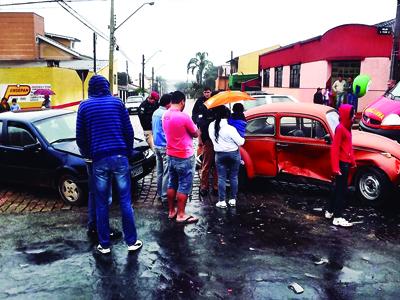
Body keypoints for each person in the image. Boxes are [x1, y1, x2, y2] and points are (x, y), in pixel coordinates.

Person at [76, 75, 142, 254]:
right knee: (125, 202)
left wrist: (88, 154)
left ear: (90, 88)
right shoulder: (117, 103)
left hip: (99, 159)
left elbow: (80, 137)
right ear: (106, 86)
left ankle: (104, 245)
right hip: (120, 157)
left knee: (102, 203)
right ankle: (131, 241)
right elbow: (128, 131)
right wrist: (127, 152)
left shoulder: (84, 106)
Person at [162, 90, 199, 224]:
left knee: (172, 182)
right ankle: (181, 214)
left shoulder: (165, 115)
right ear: (182, 101)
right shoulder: (184, 117)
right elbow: (195, 134)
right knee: (184, 184)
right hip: (184, 155)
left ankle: (172, 211)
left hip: (170, 154)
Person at [325, 104, 355, 227]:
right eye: (351, 115)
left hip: (345, 163)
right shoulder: (340, 128)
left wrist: (352, 160)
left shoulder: (347, 128)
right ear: (346, 115)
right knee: (341, 191)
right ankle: (337, 217)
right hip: (342, 165)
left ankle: (330, 211)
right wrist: (336, 167)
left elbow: (348, 147)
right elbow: (335, 149)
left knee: (337, 189)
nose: (353, 117)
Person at [209, 105, 245, 208]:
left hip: (219, 155)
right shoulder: (230, 128)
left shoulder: (211, 126)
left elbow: (212, 139)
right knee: (234, 177)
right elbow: (241, 142)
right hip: (233, 154)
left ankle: (222, 201)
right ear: (227, 115)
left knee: (221, 177)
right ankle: (233, 200)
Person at [192, 87, 218, 197]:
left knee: (217, 165)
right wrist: (199, 124)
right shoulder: (200, 103)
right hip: (207, 137)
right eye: (205, 92)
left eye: (209, 92)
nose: (207, 94)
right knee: (206, 163)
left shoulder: (218, 105)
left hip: (218, 140)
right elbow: (195, 116)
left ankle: (216, 187)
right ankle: (204, 186)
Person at [152, 93, 172, 204]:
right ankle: (165, 195)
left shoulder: (155, 112)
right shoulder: (166, 114)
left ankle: (160, 193)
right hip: (165, 146)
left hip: (156, 145)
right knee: (166, 172)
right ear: (168, 103)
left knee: (159, 171)